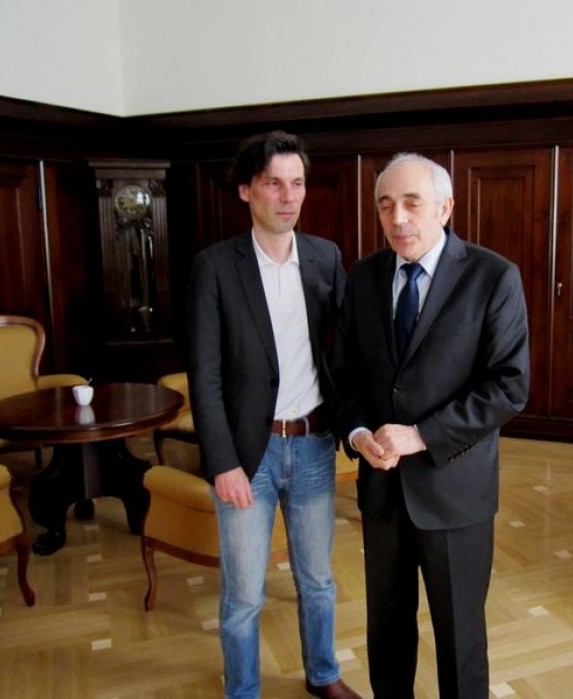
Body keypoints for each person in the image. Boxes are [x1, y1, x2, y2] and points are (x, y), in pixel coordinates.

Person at [332, 153, 530, 698]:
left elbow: (509, 386)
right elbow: (344, 376)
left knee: (459, 637)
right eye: (385, 205)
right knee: (387, 629)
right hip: (382, 489)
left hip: (454, 493)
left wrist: (420, 436)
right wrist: (358, 435)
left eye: (411, 203)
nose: (397, 218)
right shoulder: (365, 276)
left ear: (445, 208)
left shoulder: (493, 276)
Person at [186, 130, 360, 699]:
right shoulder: (215, 266)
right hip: (247, 454)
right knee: (244, 595)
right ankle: (243, 691)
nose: (288, 197)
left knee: (318, 580)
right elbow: (204, 376)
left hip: (312, 444)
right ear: (246, 190)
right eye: (273, 184)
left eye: (297, 183)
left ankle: (323, 675)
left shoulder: (325, 257)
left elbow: (350, 347)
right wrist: (223, 463)